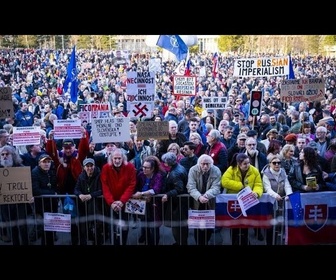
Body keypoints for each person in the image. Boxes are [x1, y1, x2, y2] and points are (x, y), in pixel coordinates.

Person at [45, 128, 90, 245]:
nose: (68, 150)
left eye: (70, 147)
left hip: (80, 193)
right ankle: (74, 240)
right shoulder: (59, 159)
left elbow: (84, 149)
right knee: (70, 218)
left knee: (82, 217)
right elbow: (51, 152)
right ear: (63, 148)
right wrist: (50, 139)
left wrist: (84, 135)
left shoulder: (78, 157)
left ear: (74, 147)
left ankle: (83, 240)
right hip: (65, 194)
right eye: (66, 148)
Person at [221, 153, 263, 245]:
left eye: (248, 163)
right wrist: (240, 186)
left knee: (245, 225)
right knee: (234, 225)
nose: (247, 165)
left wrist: (256, 192)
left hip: (247, 201)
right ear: (238, 164)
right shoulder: (231, 169)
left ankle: (245, 242)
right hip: (234, 202)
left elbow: (258, 184)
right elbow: (224, 181)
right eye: (245, 164)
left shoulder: (254, 170)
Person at [101, 148, 136, 245]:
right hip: (111, 203)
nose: (117, 161)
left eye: (119, 158)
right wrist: (111, 202)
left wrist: (122, 201)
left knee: (124, 225)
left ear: (123, 158)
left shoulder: (130, 167)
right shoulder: (106, 168)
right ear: (111, 158)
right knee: (111, 226)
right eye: (115, 158)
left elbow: (131, 185)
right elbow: (105, 186)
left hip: (124, 202)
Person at [187, 154, 221, 245]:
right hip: (196, 201)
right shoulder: (193, 170)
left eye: (207, 164)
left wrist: (206, 195)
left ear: (211, 164)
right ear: (199, 164)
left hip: (209, 201)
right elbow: (190, 186)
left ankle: (206, 241)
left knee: (209, 225)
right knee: (197, 225)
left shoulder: (216, 170)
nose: (205, 166)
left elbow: (216, 187)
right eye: (203, 164)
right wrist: (199, 197)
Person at [132, 155, 165, 245]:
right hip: (142, 203)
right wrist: (138, 195)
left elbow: (156, 189)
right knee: (143, 222)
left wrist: (142, 194)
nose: (144, 169)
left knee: (154, 226)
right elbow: (135, 187)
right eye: (143, 167)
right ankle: (144, 236)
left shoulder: (158, 176)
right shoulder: (140, 175)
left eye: (147, 168)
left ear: (152, 169)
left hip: (154, 205)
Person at [0, 145, 29, 245]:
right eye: (2, 154)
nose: (4, 156)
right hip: (5, 204)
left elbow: (27, 185)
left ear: (13, 155)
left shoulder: (21, 168)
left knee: (22, 226)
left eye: (7, 154)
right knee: (11, 226)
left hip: (20, 203)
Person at [261, 154, 293, 245]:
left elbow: (287, 185)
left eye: (279, 163)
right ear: (270, 164)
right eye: (274, 163)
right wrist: (275, 195)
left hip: (282, 201)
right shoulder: (266, 174)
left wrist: (289, 194)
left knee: (281, 222)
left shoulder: (283, 172)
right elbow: (267, 188)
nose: (277, 165)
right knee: (270, 225)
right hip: (270, 202)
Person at [74, 157, 104, 245]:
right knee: (83, 226)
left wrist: (90, 195)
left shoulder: (99, 175)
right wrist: (80, 195)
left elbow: (102, 190)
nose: (89, 168)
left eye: (91, 166)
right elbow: (76, 189)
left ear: (94, 166)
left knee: (98, 226)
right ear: (84, 167)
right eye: (87, 166)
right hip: (84, 205)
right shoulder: (81, 176)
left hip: (97, 205)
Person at [161, 151, 189, 245]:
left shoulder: (175, 173)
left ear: (168, 162)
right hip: (178, 203)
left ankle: (180, 242)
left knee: (177, 226)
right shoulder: (179, 167)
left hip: (177, 204)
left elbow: (179, 189)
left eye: (164, 162)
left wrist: (167, 194)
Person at [31, 154, 58, 245]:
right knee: (44, 231)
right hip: (41, 206)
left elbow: (54, 185)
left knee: (51, 229)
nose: (46, 164)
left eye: (48, 162)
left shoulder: (51, 172)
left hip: (52, 205)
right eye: (44, 162)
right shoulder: (35, 172)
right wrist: (52, 193)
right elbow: (36, 190)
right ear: (39, 163)